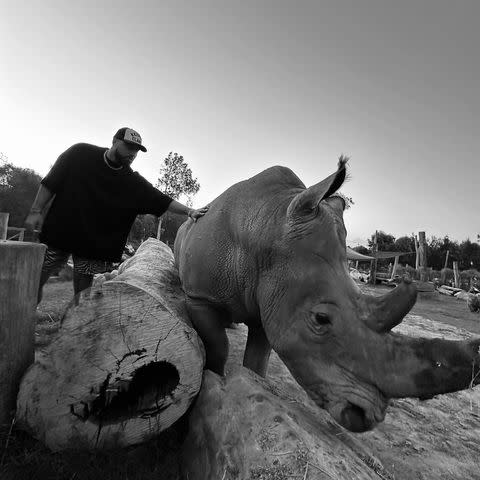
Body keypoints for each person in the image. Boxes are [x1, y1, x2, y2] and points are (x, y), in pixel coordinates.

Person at [25, 127, 208, 304]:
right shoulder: (79, 154)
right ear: (114, 141)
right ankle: (22, 318)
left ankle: (75, 326)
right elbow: (51, 181)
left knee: (82, 295)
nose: (132, 154)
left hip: (89, 243)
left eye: (136, 151)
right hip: (61, 231)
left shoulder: (131, 181)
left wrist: (189, 211)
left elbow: (160, 199)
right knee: (33, 283)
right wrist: (36, 211)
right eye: (129, 147)